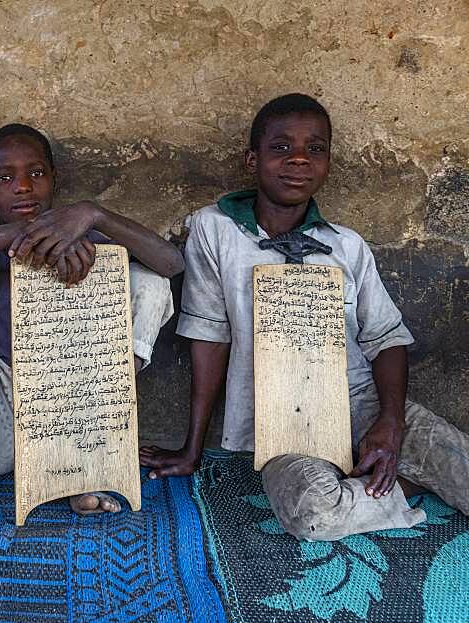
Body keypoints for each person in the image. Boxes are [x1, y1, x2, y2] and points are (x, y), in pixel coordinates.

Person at [140, 93, 469, 540]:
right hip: (282, 417)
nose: (298, 159)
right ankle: (400, 487)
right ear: (251, 159)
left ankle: (383, 478)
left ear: (328, 161)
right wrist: (191, 449)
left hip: (361, 402)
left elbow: (386, 339)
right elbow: (210, 336)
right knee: (313, 512)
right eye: (281, 148)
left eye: (315, 149)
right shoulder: (215, 229)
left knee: (459, 465)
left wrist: (390, 423)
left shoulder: (346, 245)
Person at [0, 123, 185, 529]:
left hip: (73, 404)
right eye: (5, 178)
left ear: (54, 180)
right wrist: (18, 233)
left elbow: (171, 264)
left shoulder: (89, 237)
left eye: (36, 174)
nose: (22, 187)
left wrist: (93, 213)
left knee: (150, 281)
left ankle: (86, 456)